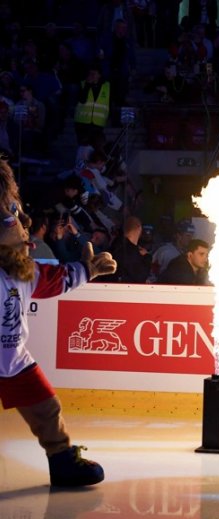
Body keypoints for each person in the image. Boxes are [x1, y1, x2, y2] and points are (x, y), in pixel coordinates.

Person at [0, 158, 116, 486]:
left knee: (46, 407)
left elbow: (56, 280)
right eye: (14, 221)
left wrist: (88, 269)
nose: (26, 230)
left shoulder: (24, 271)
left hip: (13, 359)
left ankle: (62, 459)